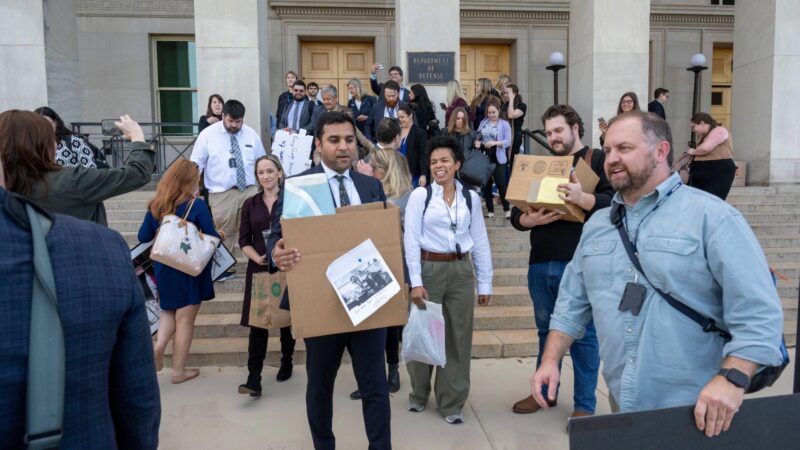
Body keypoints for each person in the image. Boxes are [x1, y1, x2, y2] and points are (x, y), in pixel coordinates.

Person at [531, 111, 785, 438]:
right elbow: (570, 304)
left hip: (700, 413)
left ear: (661, 151)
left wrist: (731, 380)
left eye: (624, 148)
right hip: (624, 404)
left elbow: (760, 314)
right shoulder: (597, 226)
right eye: (608, 150)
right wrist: (550, 360)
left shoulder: (714, 218)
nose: (612, 159)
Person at [0, 111, 161, 449]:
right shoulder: (71, 182)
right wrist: (137, 138)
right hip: (83, 289)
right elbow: (134, 174)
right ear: (47, 149)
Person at [269, 111, 391, 450]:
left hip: (368, 300)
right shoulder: (298, 186)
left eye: (350, 140)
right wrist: (276, 252)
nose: (344, 147)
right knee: (320, 386)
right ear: (318, 144)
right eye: (334, 140)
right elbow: (277, 236)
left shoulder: (371, 186)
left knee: (375, 387)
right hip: (320, 302)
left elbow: (386, 241)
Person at [510, 104, 614, 419]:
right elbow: (515, 215)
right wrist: (529, 220)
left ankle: (584, 406)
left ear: (575, 129)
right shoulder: (542, 165)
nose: (554, 137)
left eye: (559, 130)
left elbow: (616, 202)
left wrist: (584, 199)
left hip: (580, 265)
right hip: (540, 262)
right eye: (550, 132)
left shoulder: (596, 160)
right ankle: (544, 393)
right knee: (545, 331)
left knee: (584, 337)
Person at [404, 135, 493, 425]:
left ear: (456, 164)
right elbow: (411, 240)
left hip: (461, 272)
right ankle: (418, 393)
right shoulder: (421, 196)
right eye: (433, 162)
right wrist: (415, 280)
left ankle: (452, 401)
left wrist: (485, 282)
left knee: (458, 338)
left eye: (444, 160)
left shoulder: (471, 198)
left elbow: (479, 240)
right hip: (429, 269)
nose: (438, 166)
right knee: (423, 333)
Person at [139, 159, 220, 383]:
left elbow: (143, 237)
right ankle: (178, 372)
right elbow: (211, 234)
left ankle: (159, 345)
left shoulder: (157, 204)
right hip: (188, 267)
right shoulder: (197, 205)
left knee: (168, 310)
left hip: (164, 266)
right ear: (190, 180)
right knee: (185, 320)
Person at [0, 110, 154, 226]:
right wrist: (138, 137)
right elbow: (137, 173)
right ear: (45, 145)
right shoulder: (73, 180)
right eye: (52, 138)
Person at [350, 147, 414, 400]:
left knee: (390, 324)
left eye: (375, 168)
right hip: (368, 264)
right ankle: (370, 377)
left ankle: (393, 369)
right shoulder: (366, 191)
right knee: (370, 325)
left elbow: (390, 217)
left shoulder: (406, 196)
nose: (370, 171)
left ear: (388, 171)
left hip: (394, 263)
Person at [237, 155, 296, 397]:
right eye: (261, 172)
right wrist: (256, 256)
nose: (266, 176)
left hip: (286, 266)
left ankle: (287, 361)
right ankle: (254, 377)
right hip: (259, 267)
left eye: (270, 171)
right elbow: (243, 240)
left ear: (280, 173)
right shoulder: (250, 204)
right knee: (258, 324)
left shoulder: (291, 199)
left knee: (285, 321)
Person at [191, 99, 266, 276]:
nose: (234, 125)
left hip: (249, 190)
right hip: (221, 192)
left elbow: (261, 161)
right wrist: (193, 188)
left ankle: (258, 263)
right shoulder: (208, 135)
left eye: (238, 122)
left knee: (255, 227)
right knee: (225, 231)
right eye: (230, 121)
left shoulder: (251, 135)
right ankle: (224, 268)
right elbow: (196, 164)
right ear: (223, 116)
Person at [475, 99, 512, 219]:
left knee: (501, 183)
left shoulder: (504, 124)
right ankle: (490, 210)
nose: (491, 115)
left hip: (498, 155)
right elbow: (478, 135)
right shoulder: (483, 122)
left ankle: (507, 209)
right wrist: (477, 142)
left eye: (493, 112)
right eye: (489, 112)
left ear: (498, 111)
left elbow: (508, 141)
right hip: (485, 154)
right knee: (486, 184)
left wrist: (495, 143)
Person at [688, 112, 736, 200]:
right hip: (706, 172)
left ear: (702, 123)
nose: (692, 130)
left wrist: (693, 151)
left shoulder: (719, 130)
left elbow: (705, 148)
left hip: (717, 172)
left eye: (693, 127)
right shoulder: (705, 135)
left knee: (712, 202)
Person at [397, 104, 429, 187]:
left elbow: (423, 155)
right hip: (397, 175)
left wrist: (423, 175)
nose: (400, 120)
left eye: (402, 117)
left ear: (410, 116)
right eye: (399, 117)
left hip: (413, 176)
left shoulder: (419, 133)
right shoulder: (397, 131)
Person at [502, 84, 528, 168]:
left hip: (515, 135)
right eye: (504, 93)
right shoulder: (505, 105)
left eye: (508, 93)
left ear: (515, 93)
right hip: (505, 135)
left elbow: (511, 115)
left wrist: (511, 100)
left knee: (513, 159)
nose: (505, 95)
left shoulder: (522, 106)